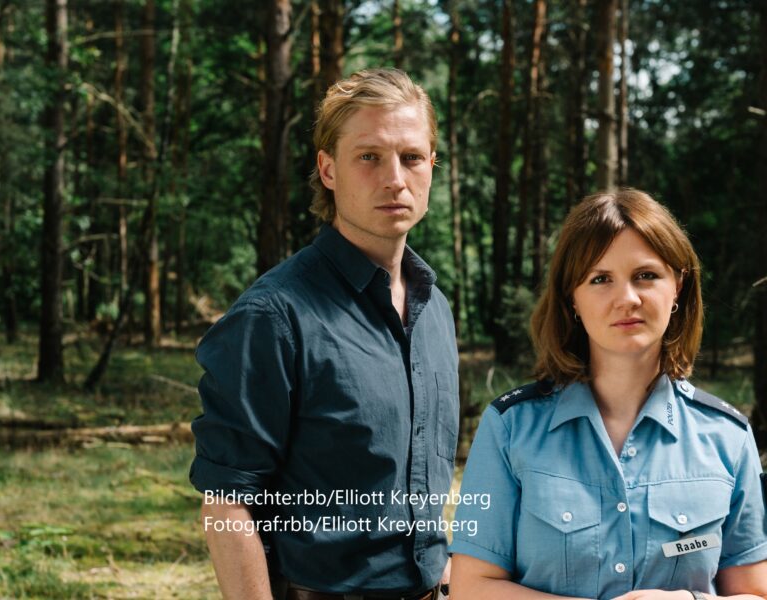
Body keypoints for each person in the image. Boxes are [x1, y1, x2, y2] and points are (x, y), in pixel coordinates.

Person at [189, 68, 459, 600]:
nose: (395, 178)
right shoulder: (275, 316)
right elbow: (227, 501)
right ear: (328, 169)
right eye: (369, 157)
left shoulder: (435, 309)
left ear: (432, 165)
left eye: (410, 157)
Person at [449, 189, 767, 600]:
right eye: (600, 279)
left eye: (646, 275)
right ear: (572, 299)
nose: (627, 299)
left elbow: (754, 593)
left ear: (678, 288)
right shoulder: (510, 429)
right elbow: (471, 587)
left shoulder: (728, 437)